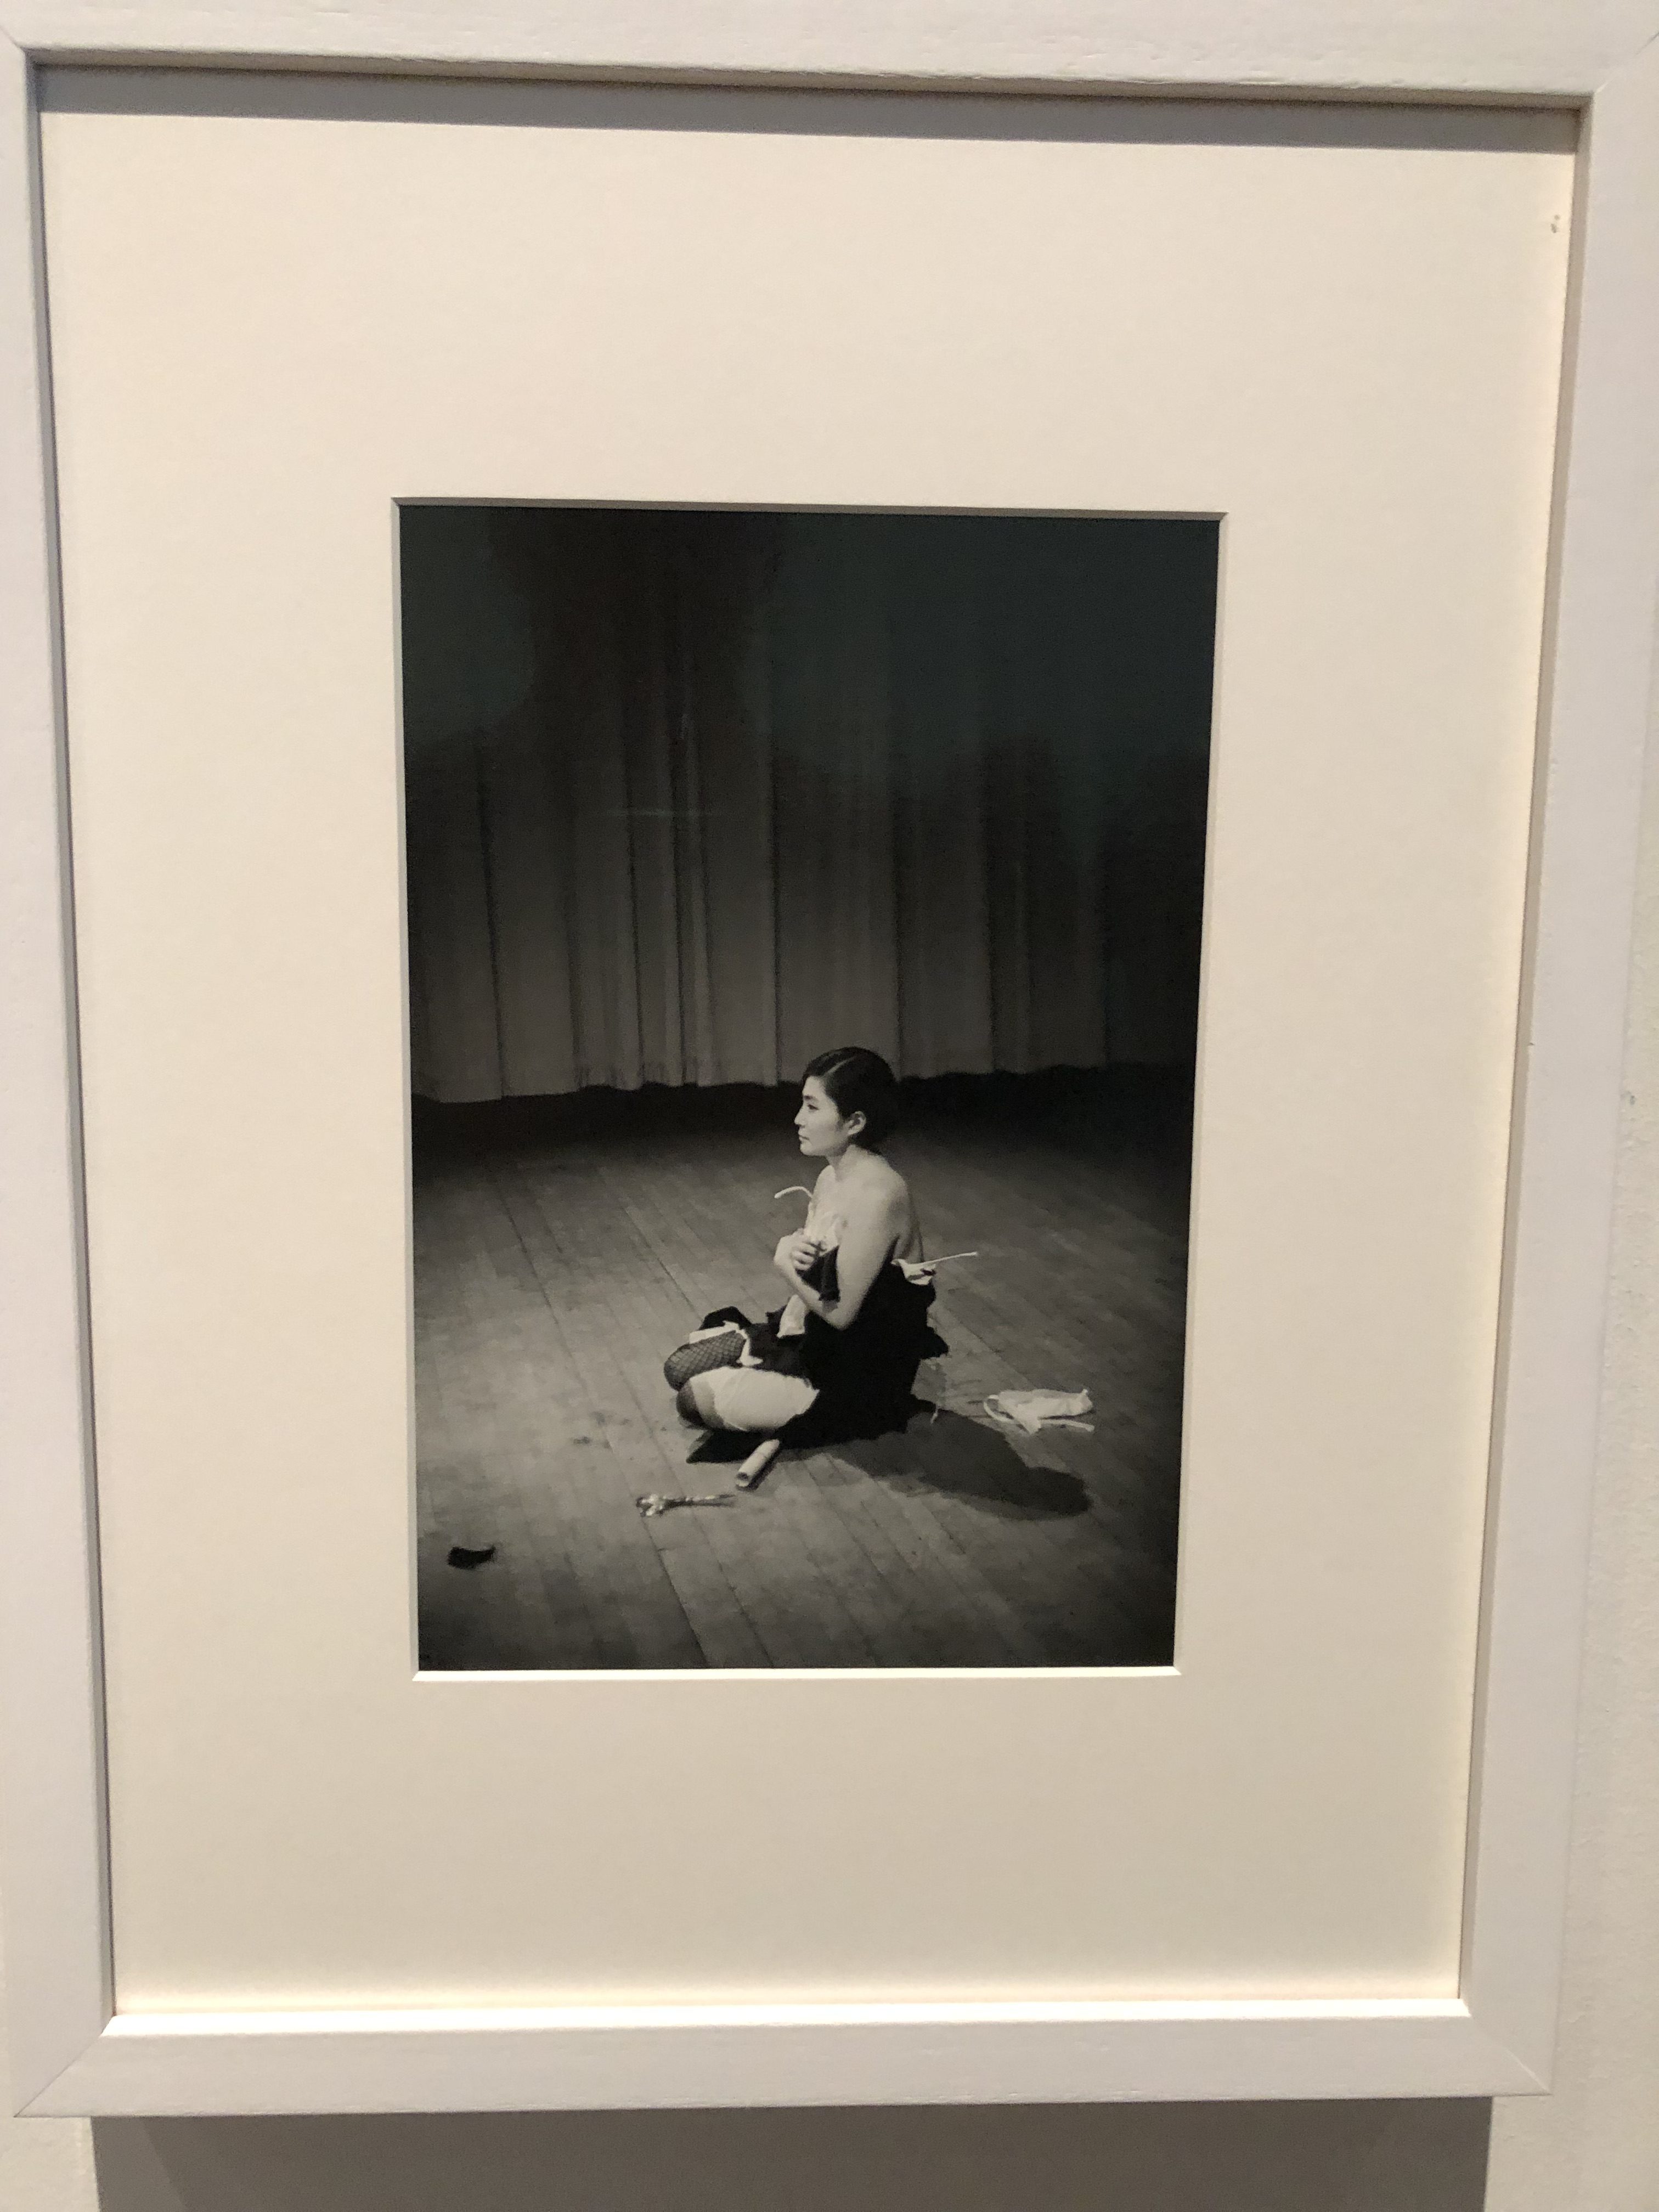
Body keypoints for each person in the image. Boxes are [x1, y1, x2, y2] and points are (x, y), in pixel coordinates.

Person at [666, 1046, 944, 1453]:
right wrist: (803, 1256)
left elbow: (842, 1314)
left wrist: (785, 1264)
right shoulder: (831, 1177)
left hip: (854, 1374)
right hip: (813, 1339)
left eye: (812, 1107)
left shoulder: (879, 1196)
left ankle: (801, 1398)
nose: (798, 1119)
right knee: (678, 1368)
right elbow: (829, 1274)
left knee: (692, 1398)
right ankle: (763, 1372)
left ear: (854, 1122)